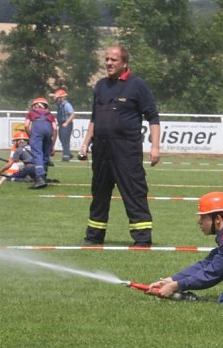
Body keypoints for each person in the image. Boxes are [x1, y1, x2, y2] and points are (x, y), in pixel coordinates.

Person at [79, 44, 161, 247]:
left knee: (134, 193)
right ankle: (94, 237)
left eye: (113, 60)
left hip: (126, 150)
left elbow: (153, 117)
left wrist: (155, 147)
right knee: (99, 194)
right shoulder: (100, 86)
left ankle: (142, 239)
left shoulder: (137, 86)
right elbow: (94, 118)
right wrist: (85, 143)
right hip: (101, 150)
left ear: (124, 63)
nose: (108, 63)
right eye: (106, 59)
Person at [24, 97, 58, 189]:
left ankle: (39, 179)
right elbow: (55, 129)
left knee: (38, 154)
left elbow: (26, 126)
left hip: (37, 130)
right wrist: (52, 145)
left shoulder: (31, 113)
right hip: (48, 130)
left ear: (35, 105)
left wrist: (31, 136)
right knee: (45, 155)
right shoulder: (50, 115)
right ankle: (44, 177)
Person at [51, 89, 75, 162]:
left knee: (65, 140)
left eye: (58, 98)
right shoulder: (60, 104)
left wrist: (66, 123)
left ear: (62, 98)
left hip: (66, 124)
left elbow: (72, 114)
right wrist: (55, 95)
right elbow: (52, 97)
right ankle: (68, 153)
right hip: (61, 124)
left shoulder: (67, 105)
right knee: (62, 139)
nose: (57, 99)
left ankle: (66, 156)